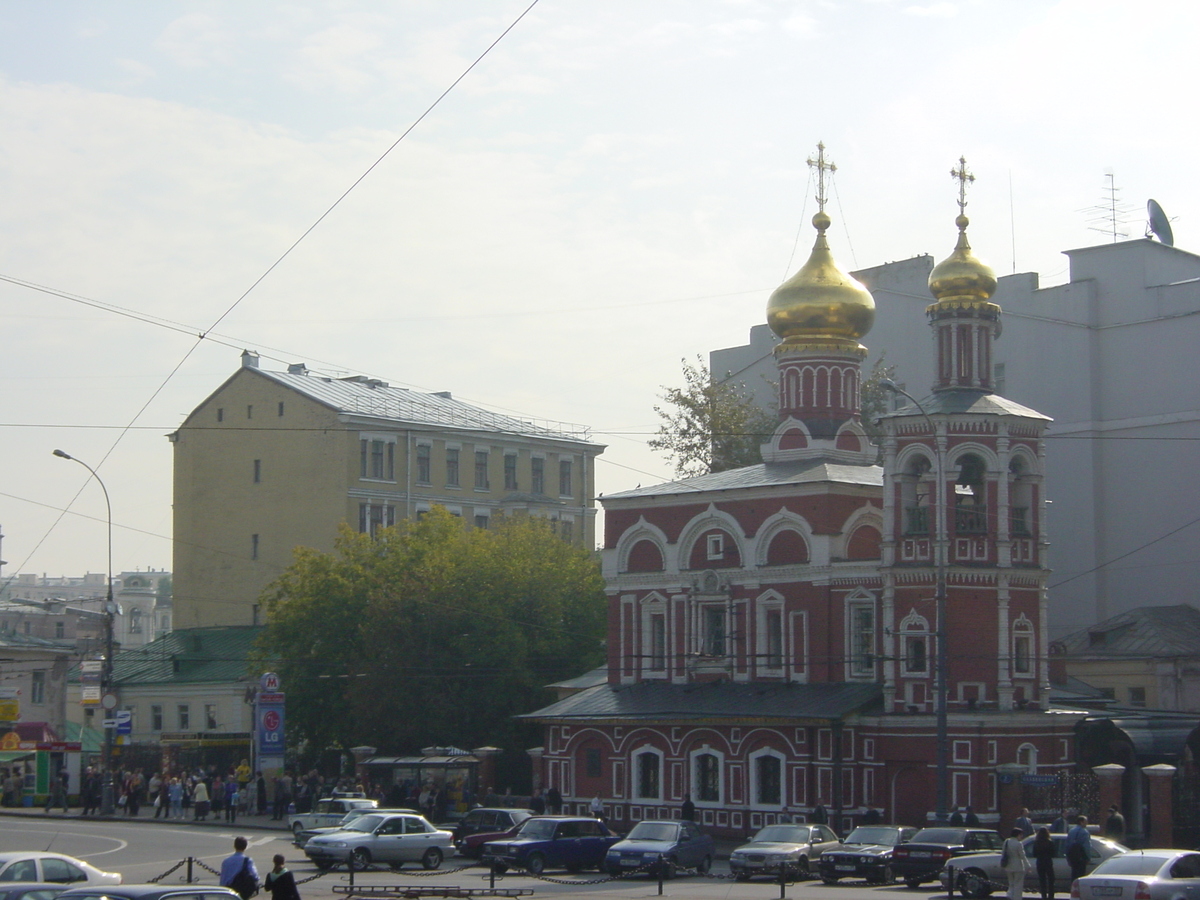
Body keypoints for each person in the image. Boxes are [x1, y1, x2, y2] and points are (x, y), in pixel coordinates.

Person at [1001, 827, 1031, 900]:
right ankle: (1017, 898)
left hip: (1008, 866)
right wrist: (1028, 866)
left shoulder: (1006, 841)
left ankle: (1010, 896)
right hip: (1018, 867)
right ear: (1018, 835)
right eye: (1021, 835)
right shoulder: (1019, 844)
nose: (1021, 837)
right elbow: (1022, 856)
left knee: (1011, 883)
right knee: (1018, 885)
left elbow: (1003, 853)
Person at [1032, 827, 1056, 900]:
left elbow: (1034, 854)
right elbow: (1053, 853)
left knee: (1042, 880)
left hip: (1040, 862)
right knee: (1051, 879)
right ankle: (1051, 896)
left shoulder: (1036, 842)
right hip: (1048, 862)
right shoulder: (1050, 842)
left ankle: (1043, 896)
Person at [1065, 815, 1091, 882]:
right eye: (1085, 821)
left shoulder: (1071, 831)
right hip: (1081, 858)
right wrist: (1088, 858)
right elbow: (1086, 846)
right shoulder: (1084, 832)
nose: (1087, 823)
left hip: (1073, 857)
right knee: (1081, 876)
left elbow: (1067, 845)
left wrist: (1068, 858)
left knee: (1074, 875)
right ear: (1081, 822)